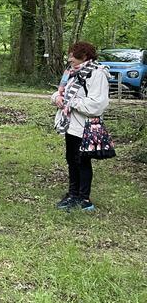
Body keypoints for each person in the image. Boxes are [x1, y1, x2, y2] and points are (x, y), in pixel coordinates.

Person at [51, 41, 109, 212]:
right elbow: (61, 92)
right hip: (70, 125)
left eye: (72, 55)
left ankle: (84, 198)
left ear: (84, 56)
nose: (69, 59)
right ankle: (72, 194)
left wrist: (71, 102)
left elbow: (97, 105)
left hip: (86, 126)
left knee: (82, 161)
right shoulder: (72, 73)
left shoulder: (97, 74)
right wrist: (57, 98)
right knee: (71, 159)